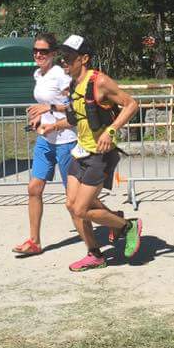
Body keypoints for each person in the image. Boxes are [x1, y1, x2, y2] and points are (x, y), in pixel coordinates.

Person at [55, 35, 142, 272]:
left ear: (84, 59)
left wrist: (111, 131)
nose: (64, 62)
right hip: (80, 152)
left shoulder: (99, 81)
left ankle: (126, 226)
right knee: (71, 205)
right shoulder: (74, 85)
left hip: (99, 155)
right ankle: (94, 254)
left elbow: (131, 104)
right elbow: (77, 118)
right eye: (62, 57)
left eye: (69, 57)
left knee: (81, 209)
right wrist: (52, 124)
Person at [11, 34, 75, 255]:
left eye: (44, 51)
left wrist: (49, 109)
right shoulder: (38, 74)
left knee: (75, 199)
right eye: (35, 51)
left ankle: (117, 222)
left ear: (53, 53)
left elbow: (75, 106)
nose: (38, 54)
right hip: (45, 139)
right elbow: (45, 103)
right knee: (34, 189)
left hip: (66, 140)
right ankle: (34, 242)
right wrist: (39, 116)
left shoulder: (61, 76)